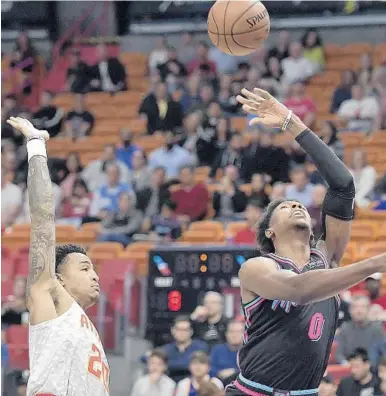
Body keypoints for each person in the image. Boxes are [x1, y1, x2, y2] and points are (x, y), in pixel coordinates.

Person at [222, 87, 386, 396]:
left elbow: (342, 184)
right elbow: (298, 290)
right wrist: (375, 263)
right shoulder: (258, 268)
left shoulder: (326, 256)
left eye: (297, 204)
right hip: (253, 392)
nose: (295, 205)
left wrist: (291, 122)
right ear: (270, 232)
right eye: (285, 206)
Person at [6, 117, 109, 395]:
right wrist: (36, 145)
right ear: (59, 280)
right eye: (85, 269)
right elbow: (42, 219)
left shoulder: (87, 329)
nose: (95, 276)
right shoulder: (48, 296)